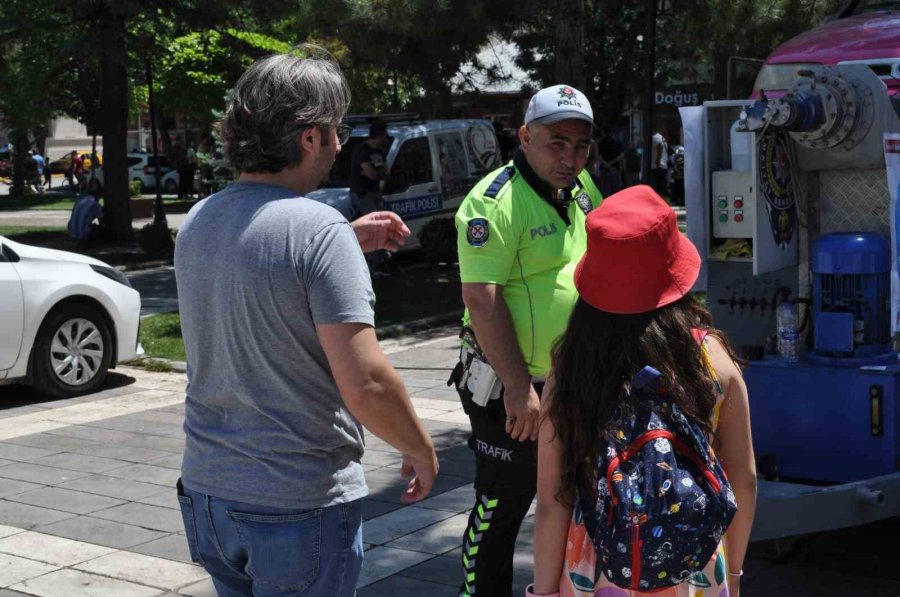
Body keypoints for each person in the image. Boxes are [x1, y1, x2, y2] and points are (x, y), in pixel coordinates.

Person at [174, 50, 439, 597]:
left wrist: (344, 238)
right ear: (310, 136)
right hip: (297, 504)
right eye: (337, 130)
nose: (341, 144)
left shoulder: (200, 219)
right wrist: (419, 446)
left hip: (207, 497)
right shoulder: (319, 231)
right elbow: (365, 382)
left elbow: (261, 264)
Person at [530, 185, 757, 597]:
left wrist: (542, 592)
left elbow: (552, 499)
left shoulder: (573, 367)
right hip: (694, 562)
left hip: (595, 564)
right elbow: (744, 478)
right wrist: (734, 573)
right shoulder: (712, 359)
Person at [450, 84, 603, 597]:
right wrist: (519, 387)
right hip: (512, 387)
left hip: (572, 380)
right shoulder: (494, 202)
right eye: (557, 143)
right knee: (502, 504)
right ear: (525, 137)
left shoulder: (581, 189)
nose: (570, 157)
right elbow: (481, 298)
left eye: (581, 146)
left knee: (570, 500)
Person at [350, 118, 391, 274]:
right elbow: (373, 175)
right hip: (362, 194)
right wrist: (375, 174)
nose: (386, 139)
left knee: (381, 226)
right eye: (385, 135)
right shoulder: (362, 150)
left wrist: (375, 174)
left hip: (374, 193)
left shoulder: (378, 152)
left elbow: (385, 174)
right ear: (379, 135)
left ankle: (381, 261)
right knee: (376, 227)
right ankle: (376, 265)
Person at [595, 125, 624, 197]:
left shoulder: (600, 143)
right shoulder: (618, 142)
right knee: (616, 193)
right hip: (615, 170)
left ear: (603, 132)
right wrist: (612, 163)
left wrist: (607, 164)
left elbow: (598, 157)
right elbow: (621, 156)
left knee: (605, 194)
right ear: (611, 132)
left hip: (604, 170)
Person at [651, 129, 669, 196]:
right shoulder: (662, 138)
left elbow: (659, 146)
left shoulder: (655, 137)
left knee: (656, 186)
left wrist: (658, 159)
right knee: (661, 186)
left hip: (657, 165)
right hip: (663, 165)